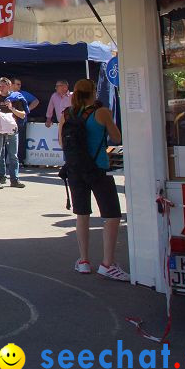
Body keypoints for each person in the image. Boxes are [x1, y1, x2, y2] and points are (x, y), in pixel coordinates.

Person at [59, 78, 128, 281]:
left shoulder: (66, 114)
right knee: (111, 215)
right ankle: (107, 263)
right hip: (98, 168)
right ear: (93, 92)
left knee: (82, 214)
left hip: (74, 170)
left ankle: (84, 261)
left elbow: (62, 142)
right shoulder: (101, 112)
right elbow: (116, 138)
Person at [0, 78, 26, 188]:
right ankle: (1, 177)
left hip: (12, 130)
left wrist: (12, 108)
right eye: (0, 86)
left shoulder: (15, 98)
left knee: (13, 155)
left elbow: (22, 115)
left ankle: (14, 179)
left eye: (3, 86)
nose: (1, 88)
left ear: (9, 86)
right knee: (0, 155)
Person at [6, 76, 37, 173]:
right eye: (18, 84)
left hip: (20, 121)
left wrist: (27, 110)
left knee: (20, 141)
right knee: (5, 142)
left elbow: (36, 101)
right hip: (7, 122)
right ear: (12, 84)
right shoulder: (5, 94)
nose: (20, 86)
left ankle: (20, 161)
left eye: (20, 84)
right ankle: (4, 161)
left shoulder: (22, 94)